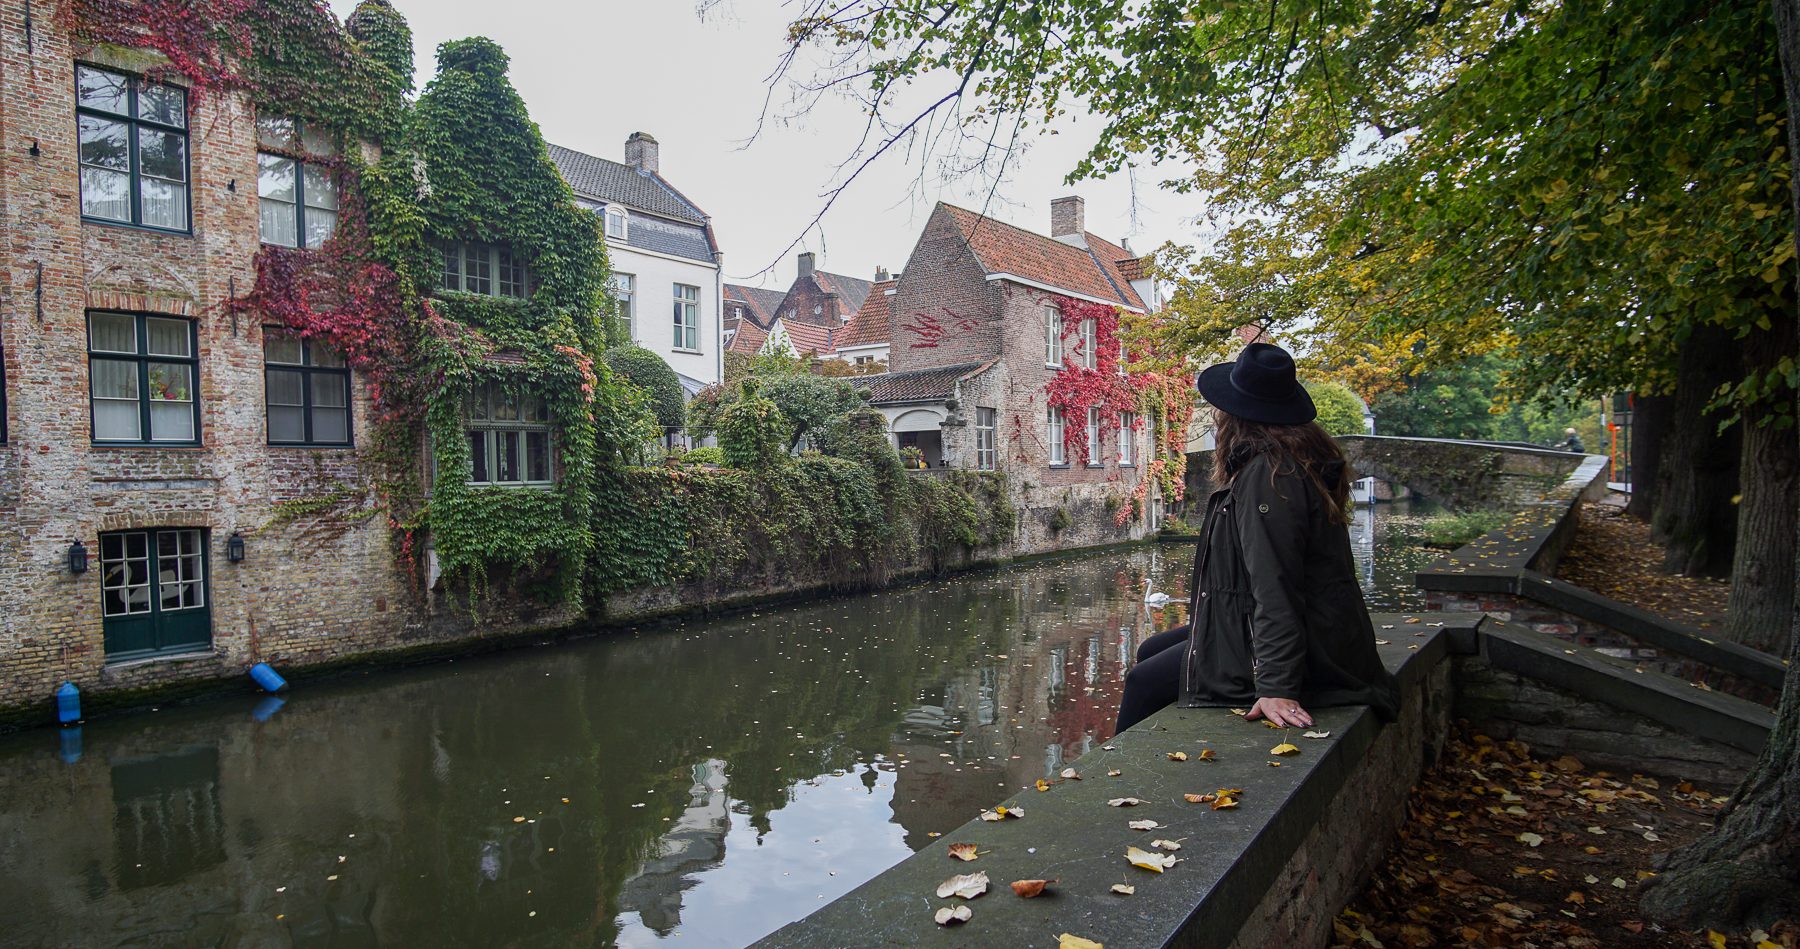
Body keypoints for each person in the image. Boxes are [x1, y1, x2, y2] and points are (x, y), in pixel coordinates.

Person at [1116, 342, 1401, 733]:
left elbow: (1275, 583)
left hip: (1312, 651)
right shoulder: (1291, 460)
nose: (1216, 418)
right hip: (1310, 628)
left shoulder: (1269, 479)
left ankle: (1115, 784)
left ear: (1237, 416)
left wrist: (1276, 685)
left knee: (1143, 682)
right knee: (1151, 649)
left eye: (1221, 409)